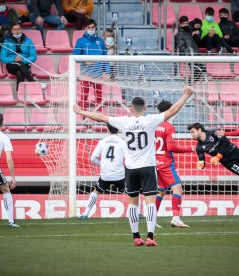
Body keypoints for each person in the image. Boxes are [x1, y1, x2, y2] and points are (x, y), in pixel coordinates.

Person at [73, 84, 194, 246]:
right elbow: (173, 111)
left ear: (131, 109)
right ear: (145, 107)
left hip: (131, 169)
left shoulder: (123, 122)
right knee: (150, 201)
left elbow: (101, 117)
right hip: (148, 167)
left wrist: (81, 112)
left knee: (133, 203)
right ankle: (150, 236)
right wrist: (186, 94)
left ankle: (136, 236)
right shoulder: (151, 120)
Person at [155, 100, 196, 228]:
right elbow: (171, 147)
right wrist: (190, 149)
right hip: (166, 162)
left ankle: (151, 218)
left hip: (155, 162)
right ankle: (176, 218)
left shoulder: (152, 124)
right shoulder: (169, 127)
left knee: (161, 191)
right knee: (177, 188)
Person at [79, 123, 126, 219]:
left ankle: (85, 213)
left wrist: (103, 165)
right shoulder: (122, 142)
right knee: (132, 191)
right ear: (118, 129)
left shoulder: (102, 141)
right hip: (119, 175)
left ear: (108, 129)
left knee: (96, 191)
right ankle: (137, 212)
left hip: (105, 175)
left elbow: (93, 159)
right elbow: (128, 159)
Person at [73, 19, 110, 110]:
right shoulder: (80, 41)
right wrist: (84, 61)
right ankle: (83, 117)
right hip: (86, 74)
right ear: (85, 28)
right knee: (84, 97)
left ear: (95, 27)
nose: (91, 29)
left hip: (98, 74)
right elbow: (75, 56)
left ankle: (99, 117)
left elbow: (105, 58)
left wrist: (107, 72)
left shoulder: (100, 41)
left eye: (93, 27)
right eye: (89, 27)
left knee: (99, 97)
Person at [0, 23, 37, 90]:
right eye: (15, 29)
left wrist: (22, 59)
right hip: (11, 65)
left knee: (19, 73)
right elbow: (3, 58)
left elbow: (33, 57)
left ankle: (19, 94)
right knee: (19, 64)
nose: (17, 31)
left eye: (19, 29)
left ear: (21, 29)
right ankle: (32, 81)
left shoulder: (28, 41)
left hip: (24, 64)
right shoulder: (7, 41)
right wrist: (14, 58)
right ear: (12, 31)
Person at [175, 16, 206, 83]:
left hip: (194, 54)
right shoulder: (179, 34)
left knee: (200, 70)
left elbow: (196, 40)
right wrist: (191, 54)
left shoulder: (189, 32)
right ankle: (188, 85)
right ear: (180, 25)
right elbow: (181, 47)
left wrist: (196, 33)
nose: (185, 25)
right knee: (200, 69)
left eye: (187, 23)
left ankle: (188, 86)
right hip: (188, 55)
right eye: (183, 24)